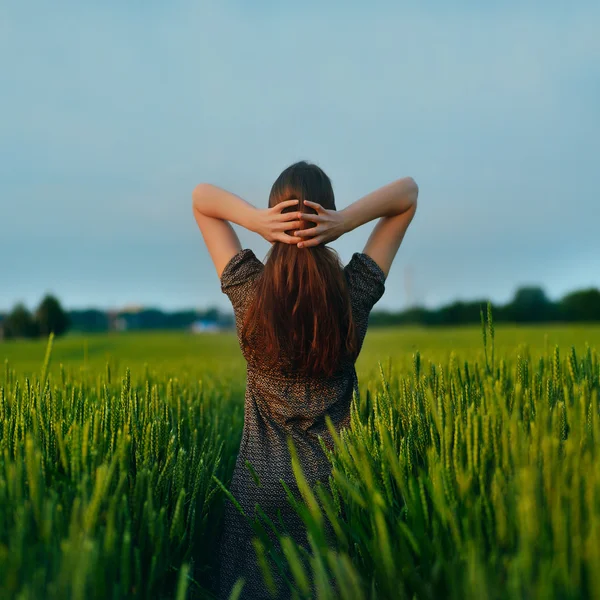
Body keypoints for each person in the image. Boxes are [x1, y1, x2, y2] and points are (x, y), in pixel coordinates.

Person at [192, 161, 418, 599]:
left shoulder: (248, 291)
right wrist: (344, 223)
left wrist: (255, 221)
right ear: (327, 215)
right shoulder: (352, 294)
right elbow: (407, 194)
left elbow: (202, 199)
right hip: (332, 491)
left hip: (257, 489)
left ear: (272, 217)